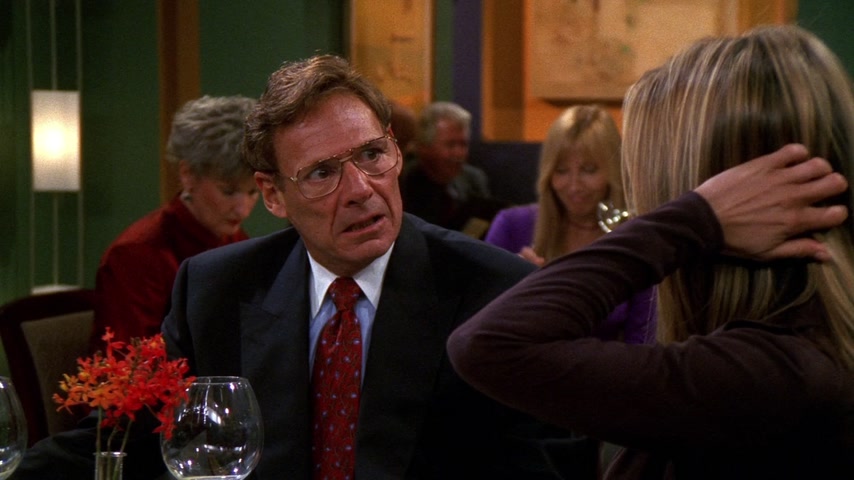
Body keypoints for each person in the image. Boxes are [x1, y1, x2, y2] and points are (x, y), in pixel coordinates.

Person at [13, 55, 593, 480]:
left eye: (372, 155)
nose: (361, 189)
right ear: (272, 194)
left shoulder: (497, 291)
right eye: (321, 173)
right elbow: (127, 435)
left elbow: (550, 464)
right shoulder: (216, 288)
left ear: (395, 150)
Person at [448, 24, 853, 478]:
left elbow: (487, 345)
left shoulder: (770, 375)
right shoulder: (783, 355)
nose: (645, 208)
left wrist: (694, 221)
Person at [91, 95, 259, 347]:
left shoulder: (234, 240)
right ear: (187, 174)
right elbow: (132, 361)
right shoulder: (136, 256)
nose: (243, 209)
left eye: (253, 191)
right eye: (228, 191)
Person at [485, 104, 654, 344]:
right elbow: (475, 330)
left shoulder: (636, 238)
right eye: (561, 170)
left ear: (613, 171)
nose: (574, 186)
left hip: (607, 366)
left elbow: (643, 342)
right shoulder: (512, 226)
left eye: (589, 170)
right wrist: (514, 290)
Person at [399, 101, 505, 235]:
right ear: (424, 147)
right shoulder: (404, 183)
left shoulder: (473, 179)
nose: (459, 153)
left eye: (463, 144)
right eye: (451, 145)